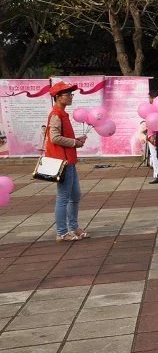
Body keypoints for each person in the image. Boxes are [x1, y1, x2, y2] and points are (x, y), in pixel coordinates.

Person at [47, 82, 88, 241]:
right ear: (58, 97)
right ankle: (62, 232)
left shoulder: (62, 114)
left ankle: (74, 227)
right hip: (62, 162)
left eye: (71, 94)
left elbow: (60, 137)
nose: (71, 97)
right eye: (68, 94)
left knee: (75, 196)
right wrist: (74, 143)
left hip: (69, 160)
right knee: (63, 198)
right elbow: (54, 138)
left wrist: (76, 140)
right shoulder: (56, 114)